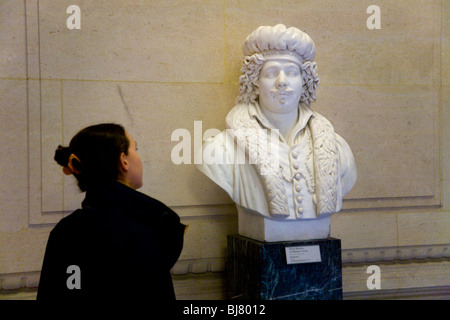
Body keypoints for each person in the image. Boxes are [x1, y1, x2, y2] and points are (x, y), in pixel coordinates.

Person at [196, 24, 356, 241]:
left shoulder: (338, 148)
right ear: (255, 82)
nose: (282, 82)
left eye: (291, 72)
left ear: (305, 81)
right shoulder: (221, 149)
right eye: (271, 73)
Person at [37, 123, 186, 301]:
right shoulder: (145, 228)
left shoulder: (65, 230)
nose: (139, 157)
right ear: (123, 160)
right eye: (135, 149)